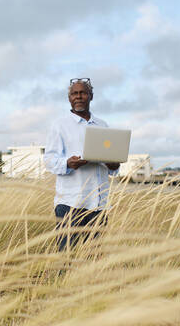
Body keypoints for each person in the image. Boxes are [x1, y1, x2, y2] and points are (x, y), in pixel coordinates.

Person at [44, 78, 120, 251]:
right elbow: (49, 161)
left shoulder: (103, 125)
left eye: (83, 93)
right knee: (67, 258)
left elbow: (113, 169)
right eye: (74, 93)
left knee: (93, 259)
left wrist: (113, 164)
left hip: (98, 205)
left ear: (91, 96)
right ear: (69, 98)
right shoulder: (59, 125)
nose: (78, 96)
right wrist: (68, 163)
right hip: (70, 204)